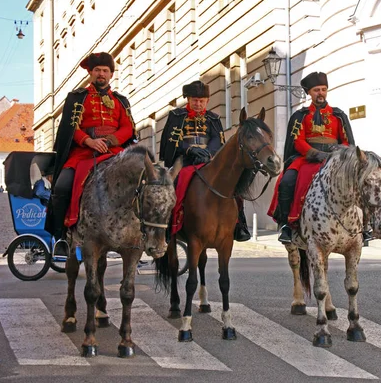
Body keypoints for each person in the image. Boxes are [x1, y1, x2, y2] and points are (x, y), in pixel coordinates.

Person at [46, 52, 137, 255]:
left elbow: (128, 128)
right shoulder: (77, 97)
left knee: (145, 181)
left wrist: (111, 140)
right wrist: (89, 141)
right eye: (97, 70)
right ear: (91, 73)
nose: (101, 74)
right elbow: (69, 128)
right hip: (83, 152)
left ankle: (142, 233)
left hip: (115, 151)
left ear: (111, 74)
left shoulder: (121, 100)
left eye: (105, 70)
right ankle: (62, 236)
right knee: (62, 185)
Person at [276, 71, 363, 244]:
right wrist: (316, 154)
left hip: (336, 159)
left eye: (323, 89)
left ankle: (363, 225)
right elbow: (297, 141)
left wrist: (338, 153)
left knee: (360, 181)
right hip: (306, 158)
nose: (321, 93)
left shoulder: (338, 115)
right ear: (309, 93)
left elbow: (347, 141)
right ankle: (286, 224)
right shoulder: (300, 116)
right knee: (287, 181)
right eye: (316, 90)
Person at [159, 80, 251, 242]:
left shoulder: (213, 118)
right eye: (195, 100)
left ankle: (239, 224)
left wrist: (208, 152)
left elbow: (218, 139)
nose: (198, 104)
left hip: (208, 160)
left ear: (207, 101)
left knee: (232, 185)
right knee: (169, 187)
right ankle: (166, 226)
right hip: (184, 161)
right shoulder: (176, 116)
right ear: (188, 100)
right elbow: (171, 141)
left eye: (202, 101)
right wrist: (189, 149)